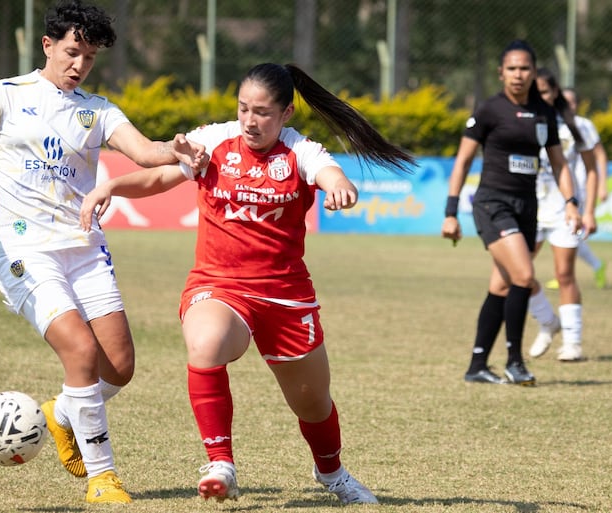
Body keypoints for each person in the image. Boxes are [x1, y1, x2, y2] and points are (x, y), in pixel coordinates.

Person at [80, 62, 414, 504]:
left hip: (286, 295)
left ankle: (332, 474)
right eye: (243, 110)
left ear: (286, 114)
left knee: (313, 404)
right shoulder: (215, 141)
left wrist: (340, 188)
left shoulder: (302, 152)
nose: (250, 121)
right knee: (205, 342)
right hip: (219, 286)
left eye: (262, 113)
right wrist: (113, 187)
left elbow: (332, 176)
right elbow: (162, 176)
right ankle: (221, 464)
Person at [0, 0, 206, 504]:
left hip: (84, 248)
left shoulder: (97, 109)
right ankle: (103, 477)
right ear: (48, 45)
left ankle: (61, 415)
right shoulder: (6, 95)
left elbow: (145, 152)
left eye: (90, 57)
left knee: (118, 367)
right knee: (80, 353)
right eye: (73, 52)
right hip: (23, 250)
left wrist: (178, 150)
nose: (79, 65)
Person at [441, 40, 582, 385]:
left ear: (534, 73)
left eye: (525, 69)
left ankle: (477, 366)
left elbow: (559, 163)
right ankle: (515, 362)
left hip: (527, 205)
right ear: (501, 72)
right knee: (523, 276)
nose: (519, 75)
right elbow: (462, 162)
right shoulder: (490, 110)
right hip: (492, 204)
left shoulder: (543, 112)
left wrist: (572, 203)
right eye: (512, 68)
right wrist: (451, 212)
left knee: (501, 286)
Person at [527, 69, 599, 362]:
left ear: (554, 92)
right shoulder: (523, 122)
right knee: (517, 275)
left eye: (544, 92)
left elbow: (593, 169)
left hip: (564, 211)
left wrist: (589, 210)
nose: (540, 98)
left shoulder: (577, 126)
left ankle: (572, 342)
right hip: (528, 209)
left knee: (564, 274)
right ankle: (547, 321)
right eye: (536, 92)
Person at [544, 86, 608, 290]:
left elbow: (599, 156)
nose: (568, 104)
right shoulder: (549, 122)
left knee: (572, 232)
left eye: (572, 101)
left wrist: (602, 186)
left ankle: (567, 275)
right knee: (567, 234)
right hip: (550, 193)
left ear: (577, 104)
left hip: (576, 192)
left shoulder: (582, 125)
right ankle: (567, 273)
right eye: (565, 100)